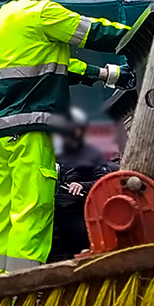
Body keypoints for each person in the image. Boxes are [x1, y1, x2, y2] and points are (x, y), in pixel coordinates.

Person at [0, 0, 129, 276]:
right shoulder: (43, 13)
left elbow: (51, 65)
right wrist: (142, 33)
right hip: (32, 127)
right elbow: (95, 31)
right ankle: (22, 288)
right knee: (31, 209)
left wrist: (103, 74)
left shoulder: (2, 20)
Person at [49, 107, 120, 263]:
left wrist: (82, 185)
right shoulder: (49, 155)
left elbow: (104, 182)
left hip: (78, 217)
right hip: (55, 220)